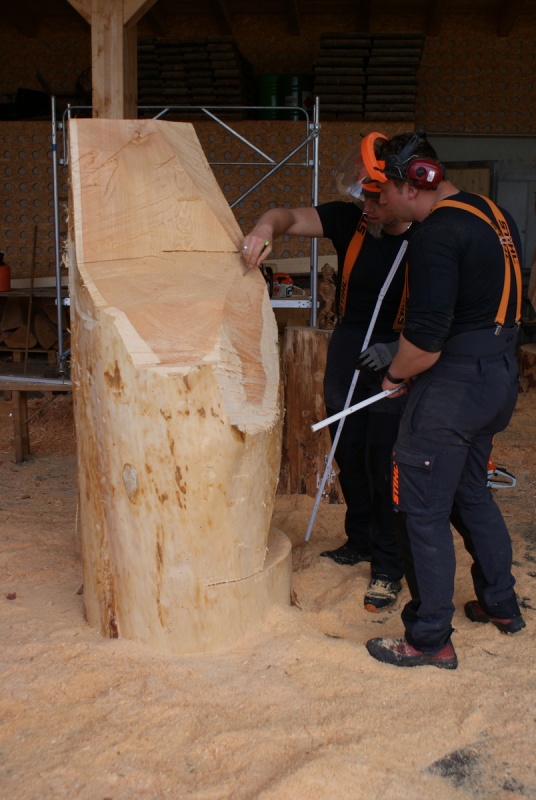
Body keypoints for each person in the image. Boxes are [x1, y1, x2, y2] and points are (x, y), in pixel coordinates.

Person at [359, 130, 526, 670]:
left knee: (421, 512)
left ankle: (429, 638)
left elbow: (426, 341)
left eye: (384, 191)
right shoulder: (492, 213)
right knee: (471, 494)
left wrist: (395, 376)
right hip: (497, 376)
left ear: (414, 184)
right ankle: (501, 604)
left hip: (454, 389)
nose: (381, 202)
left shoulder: (435, 233)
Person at [241, 133, 415, 612]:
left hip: (400, 350)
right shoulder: (351, 220)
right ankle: (359, 538)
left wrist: (399, 350)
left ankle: (389, 563)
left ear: (400, 194)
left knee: (384, 460)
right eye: (363, 198)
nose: (367, 209)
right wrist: (264, 228)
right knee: (348, 449)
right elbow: (287, 216)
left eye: (376, 200)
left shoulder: (429, 234)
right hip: (349, 345)